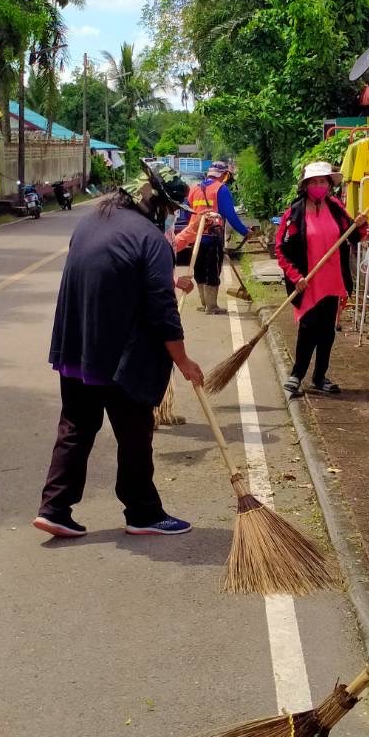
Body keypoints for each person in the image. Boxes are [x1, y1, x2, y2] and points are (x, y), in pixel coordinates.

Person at [33, 161, 204, 540]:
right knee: (134, 433)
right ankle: (143, 512)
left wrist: (172, 280)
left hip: (76, 352)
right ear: (154, 202)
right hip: (118, 360)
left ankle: (55, 508)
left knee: (76, 426)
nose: (171, 216)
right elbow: (161, 313)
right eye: (170, 209)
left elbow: (112, 274)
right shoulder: (151, 239)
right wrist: (184, 361)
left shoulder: (90, 223)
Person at [276, 161, 366, 396]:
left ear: (329, 185)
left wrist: (359, 225)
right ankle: (297, 375)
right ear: (306, 186)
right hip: (307, 282)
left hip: (333, 279)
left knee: (327, 331)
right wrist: (296, 277)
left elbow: (354, 236)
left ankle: (319, 376)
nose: (318, 186)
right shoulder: (293, 214)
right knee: (308, 328)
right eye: (313, 182)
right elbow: (281, 249)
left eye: (323, 182)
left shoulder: (336, 207)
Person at [174, 160, 251, 314]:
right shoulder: (221, 189)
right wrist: (245, 232)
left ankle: (204, 303)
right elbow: (230, 215)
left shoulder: (194, 189)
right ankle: (212, 306)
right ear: (223, 175)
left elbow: (188, 212)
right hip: (212, 237)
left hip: (195, 237)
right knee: (213, 270)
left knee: (199, 268)